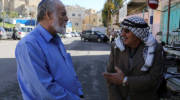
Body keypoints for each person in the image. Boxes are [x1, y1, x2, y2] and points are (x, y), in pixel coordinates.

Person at [15, 0, 84, 100]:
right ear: (48, 15)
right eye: (63, 14)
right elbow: (44, 90)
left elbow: (69, 75)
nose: (67, 18)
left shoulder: (56, 40)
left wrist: (79, 93)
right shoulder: (29, 44)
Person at [103, 16, 163, 100]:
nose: (122, 34)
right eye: (122, 30)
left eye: (127, 31)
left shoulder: (154, 49)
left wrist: (125, 80)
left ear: (138, 34)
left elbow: (153, 80)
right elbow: (110, 78)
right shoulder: (116, 47)